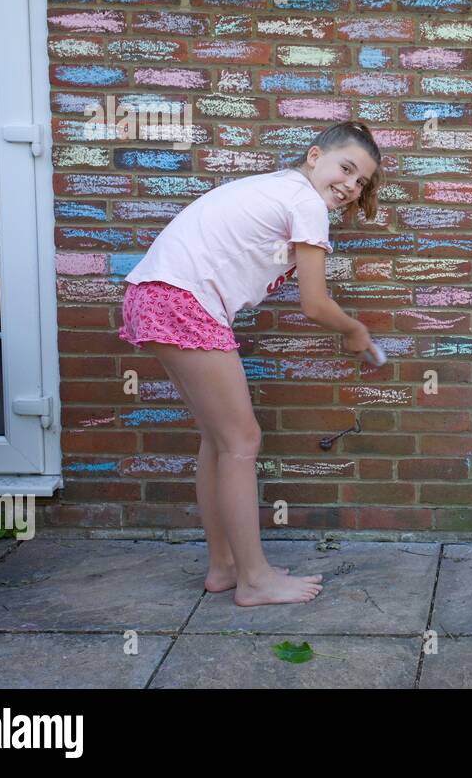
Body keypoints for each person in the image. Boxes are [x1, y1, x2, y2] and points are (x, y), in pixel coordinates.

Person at [118, 121, 384, 606]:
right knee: (242, 441)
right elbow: (314, 304)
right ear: (313, 156)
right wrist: (354, 330)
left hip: (154, 295)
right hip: (182, 301)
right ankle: (255, 580)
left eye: (361, 181)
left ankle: (225, 567)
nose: (350, 186)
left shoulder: (280, 189)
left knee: (219, 441)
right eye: (346, 168)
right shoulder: (304, 202)